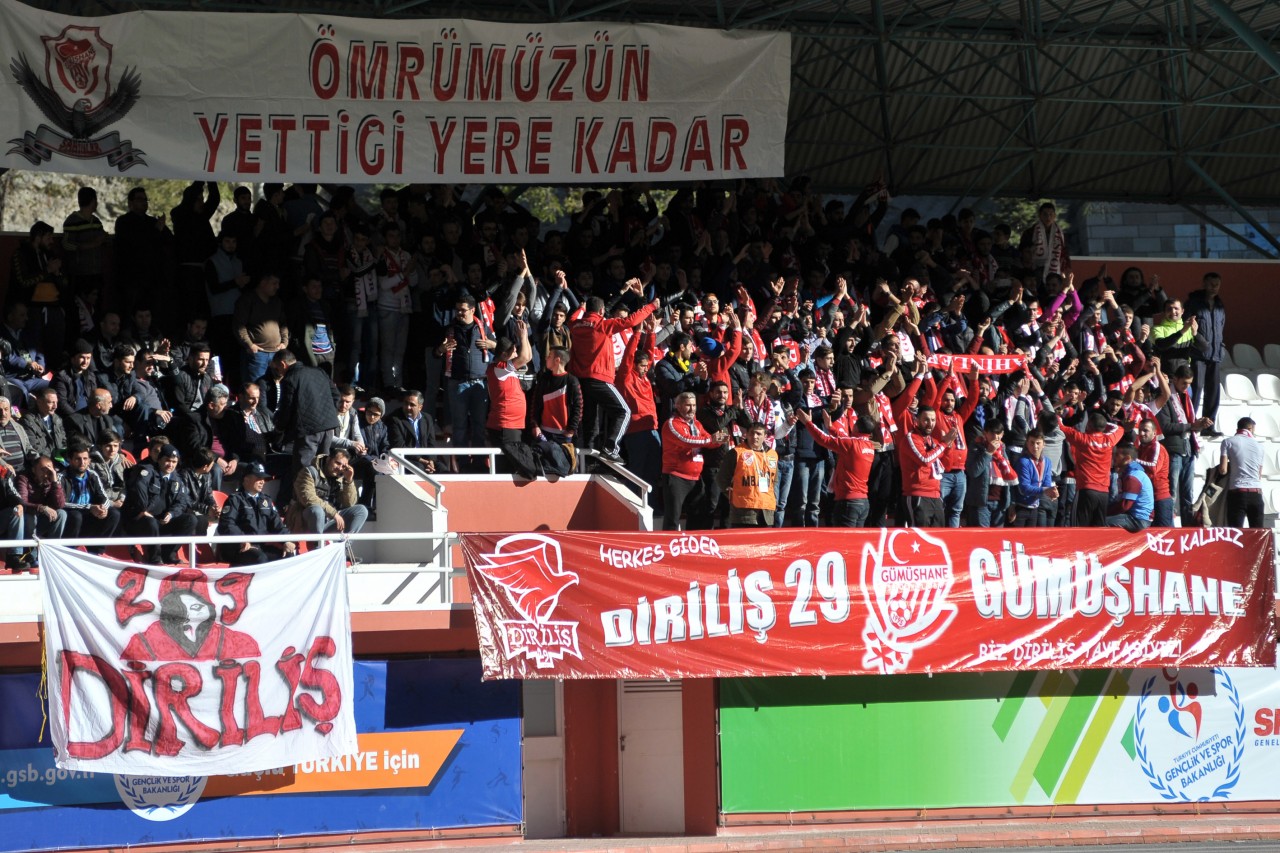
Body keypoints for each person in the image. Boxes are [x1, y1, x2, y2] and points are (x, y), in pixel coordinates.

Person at [568, 279, 660, 461]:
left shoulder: (575, 326)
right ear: (602, 312)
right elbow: (632, 320)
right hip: (599, 379)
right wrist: (650, 306)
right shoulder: (604, 325)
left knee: (591, 422)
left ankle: (590, 460)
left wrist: (580, 309)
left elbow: (572, 317)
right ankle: (611, 448)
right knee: (624, 412)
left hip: (580, 382)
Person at [796, 408, 878, 527]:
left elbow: (824, 439)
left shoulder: (851, 444)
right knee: (856, 543)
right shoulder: (870, 446)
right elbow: (844, 439)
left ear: (856, 427)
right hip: (863, 502)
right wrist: (830, 427)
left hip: (848, 502)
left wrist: (808, 423)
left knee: (844, 542)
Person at [122, 444, 202, 565]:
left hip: (161, 521)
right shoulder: (146, 471)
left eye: (174, 461)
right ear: (159, 459)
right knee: (151, 522)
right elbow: (139, 491)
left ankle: (168, 554)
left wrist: (171, 514)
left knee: (191, 520)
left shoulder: (177, 479)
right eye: (167, 460)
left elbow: (182, 501)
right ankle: (154, 558)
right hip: (140, 521)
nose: (170, 465)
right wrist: (144, 510)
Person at [661, 391, 724, 530]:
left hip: (695, 477)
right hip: (676, 476)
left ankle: (692, 547)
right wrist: (710, 440)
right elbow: (686, 440)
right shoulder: (671, 423)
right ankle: (667, 548)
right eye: (687, 405)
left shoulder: (697, 424)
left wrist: (719, 440)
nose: (692, 409)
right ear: (678, 406)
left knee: (698, 516)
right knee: (673, 517)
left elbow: (708, 440)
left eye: (694, 405)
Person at [217, 461, 296, 565]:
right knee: (260, 559)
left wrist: (287, 540)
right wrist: (242, 540)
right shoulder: (235, 499)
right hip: (239, 548)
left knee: (288, 556)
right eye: (258, 478)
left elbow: (277, 524)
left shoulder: (266, 500)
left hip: (260, 547)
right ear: (246, 479)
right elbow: (226, 525)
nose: (262, 481)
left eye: (263, 478)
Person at [1061, 412, 1125, 527]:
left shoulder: (1082, 439)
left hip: (1086, 490)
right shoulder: (1109, 440)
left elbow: (1061, 426)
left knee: (1079, 529)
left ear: (1088, 424)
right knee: (1098, 531)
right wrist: (1104, 424)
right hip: (1104, 493)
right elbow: (1119, 428)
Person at [898, 406, 957, 528]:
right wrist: (944, 444)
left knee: (938, 539)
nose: (930, 424)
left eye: (933, 420)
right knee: (919, 538)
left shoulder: (934, 441)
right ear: (917, 420)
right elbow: (924, 459)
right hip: (917, 495)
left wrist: (949, 447)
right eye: (926, 420)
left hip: (936, 495)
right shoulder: (911, 438)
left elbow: (947, 466)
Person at [288, 448, 369, 535]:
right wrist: (334, 514)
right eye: (337, 463)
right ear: (328, 459)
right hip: (305, 519)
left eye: (343, 466)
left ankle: (343, 546)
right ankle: (318, 545)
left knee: (361, 510)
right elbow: (309, 499)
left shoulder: (340, 478)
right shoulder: (309, 472)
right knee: (317, 510)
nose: (340, 468)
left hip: (330, 519)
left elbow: (349, 504)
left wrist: (348, 481)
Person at [716, 422, 779, 528]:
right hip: (743, 512)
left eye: (759, 434)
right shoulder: (736, 453)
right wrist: (731, 495)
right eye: (751, 433)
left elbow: (774, 480)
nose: (755, 437)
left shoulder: (772, 454)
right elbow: (721, 478)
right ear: (746, 435)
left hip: (766, 512)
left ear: (765, 436)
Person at [1185, 272, 1226, 434]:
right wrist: (1201, 343)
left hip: (1215, 354)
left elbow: (1221, 327)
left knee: (1213, 390)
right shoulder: (1193, 303)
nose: (1214, 287)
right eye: (1211, 283)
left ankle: (1208, 426)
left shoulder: (1220, 304)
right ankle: (1191, 423)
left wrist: (1220, 346)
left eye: (1217, 284)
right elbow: (1188, 325)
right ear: (1204, 283)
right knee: (1197, 387)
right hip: (1198, 354)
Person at [59, 442, 119, 552]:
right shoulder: (61, 476)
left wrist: (103, 509)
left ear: (89, 460)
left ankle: (97, 551)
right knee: (76, 516)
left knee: (114, 514)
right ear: (70, 460)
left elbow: (104, 498)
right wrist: (89, 507)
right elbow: (61, 503)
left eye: (85, 459)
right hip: (71, 518)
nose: (82, 462)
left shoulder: (92, 475)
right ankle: (70, 550)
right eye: (78, 459)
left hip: (89, 516)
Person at [1218, 417, 1265, 528]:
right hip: (1256, 493)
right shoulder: (1260, 446)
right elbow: (1259, 474)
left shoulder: (1227, 442)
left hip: (1237, 492)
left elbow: (1223, 470)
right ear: (1250, 428)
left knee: (1235, 534)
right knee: (1257, 534)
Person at [1012, 430, 1057, 527]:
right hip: (1020, 507)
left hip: (1035, 507)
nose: (1035, 447)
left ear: (1043, 444)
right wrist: (1046, 490)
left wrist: (1052, 492)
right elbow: (1025, 488)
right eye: (1032, 443)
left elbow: (1047, 484)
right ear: (1027, 443)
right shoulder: (1023, 462)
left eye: (1038, 443)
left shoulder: (1047, 462)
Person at [16, 455, 66, 542]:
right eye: (43, 470)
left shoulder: (51, 479)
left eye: (49, 471)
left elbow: (60, 505)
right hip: (27, 517)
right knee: (30, 517)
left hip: (43, 518)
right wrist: (42, 508)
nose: (46, 474)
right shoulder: (23, 478)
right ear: (33, 469)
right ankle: (29, 551)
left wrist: (54, 481)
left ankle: (52, 548)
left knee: (61, 514)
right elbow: (22, 502)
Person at [1106, 444, 1154, 532]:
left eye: (1117, 455)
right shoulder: (1132, 473)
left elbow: (1125, 506)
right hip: (1138, 518)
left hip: (1138, 520)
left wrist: (1105, 513)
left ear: (1127, 458)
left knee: (1101, 521)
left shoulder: (1132, 477)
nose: (1113, 457)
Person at [1135, 417, 1173, 527]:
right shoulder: (1141, 448)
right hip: (1147, 499)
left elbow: (1153, 467)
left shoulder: (1157, 447)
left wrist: (1133, 461)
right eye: (1140, 430)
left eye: (1145, 430)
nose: (1141, 433)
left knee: (1164, 536)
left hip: (1160, 498)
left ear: (1154, 433)